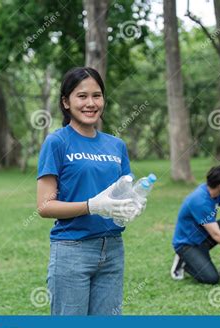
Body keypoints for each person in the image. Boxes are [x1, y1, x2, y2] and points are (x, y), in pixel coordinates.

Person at [37, 67, 145, 315]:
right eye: (81, 96)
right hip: (72, 249)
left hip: (113, 249)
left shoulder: (116, 145)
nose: (90, 103)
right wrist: (91, 206)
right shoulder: (57, 142)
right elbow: (44, 206)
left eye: (97, 96)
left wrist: (134, 202)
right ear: (66, 102)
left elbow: (123, 194)